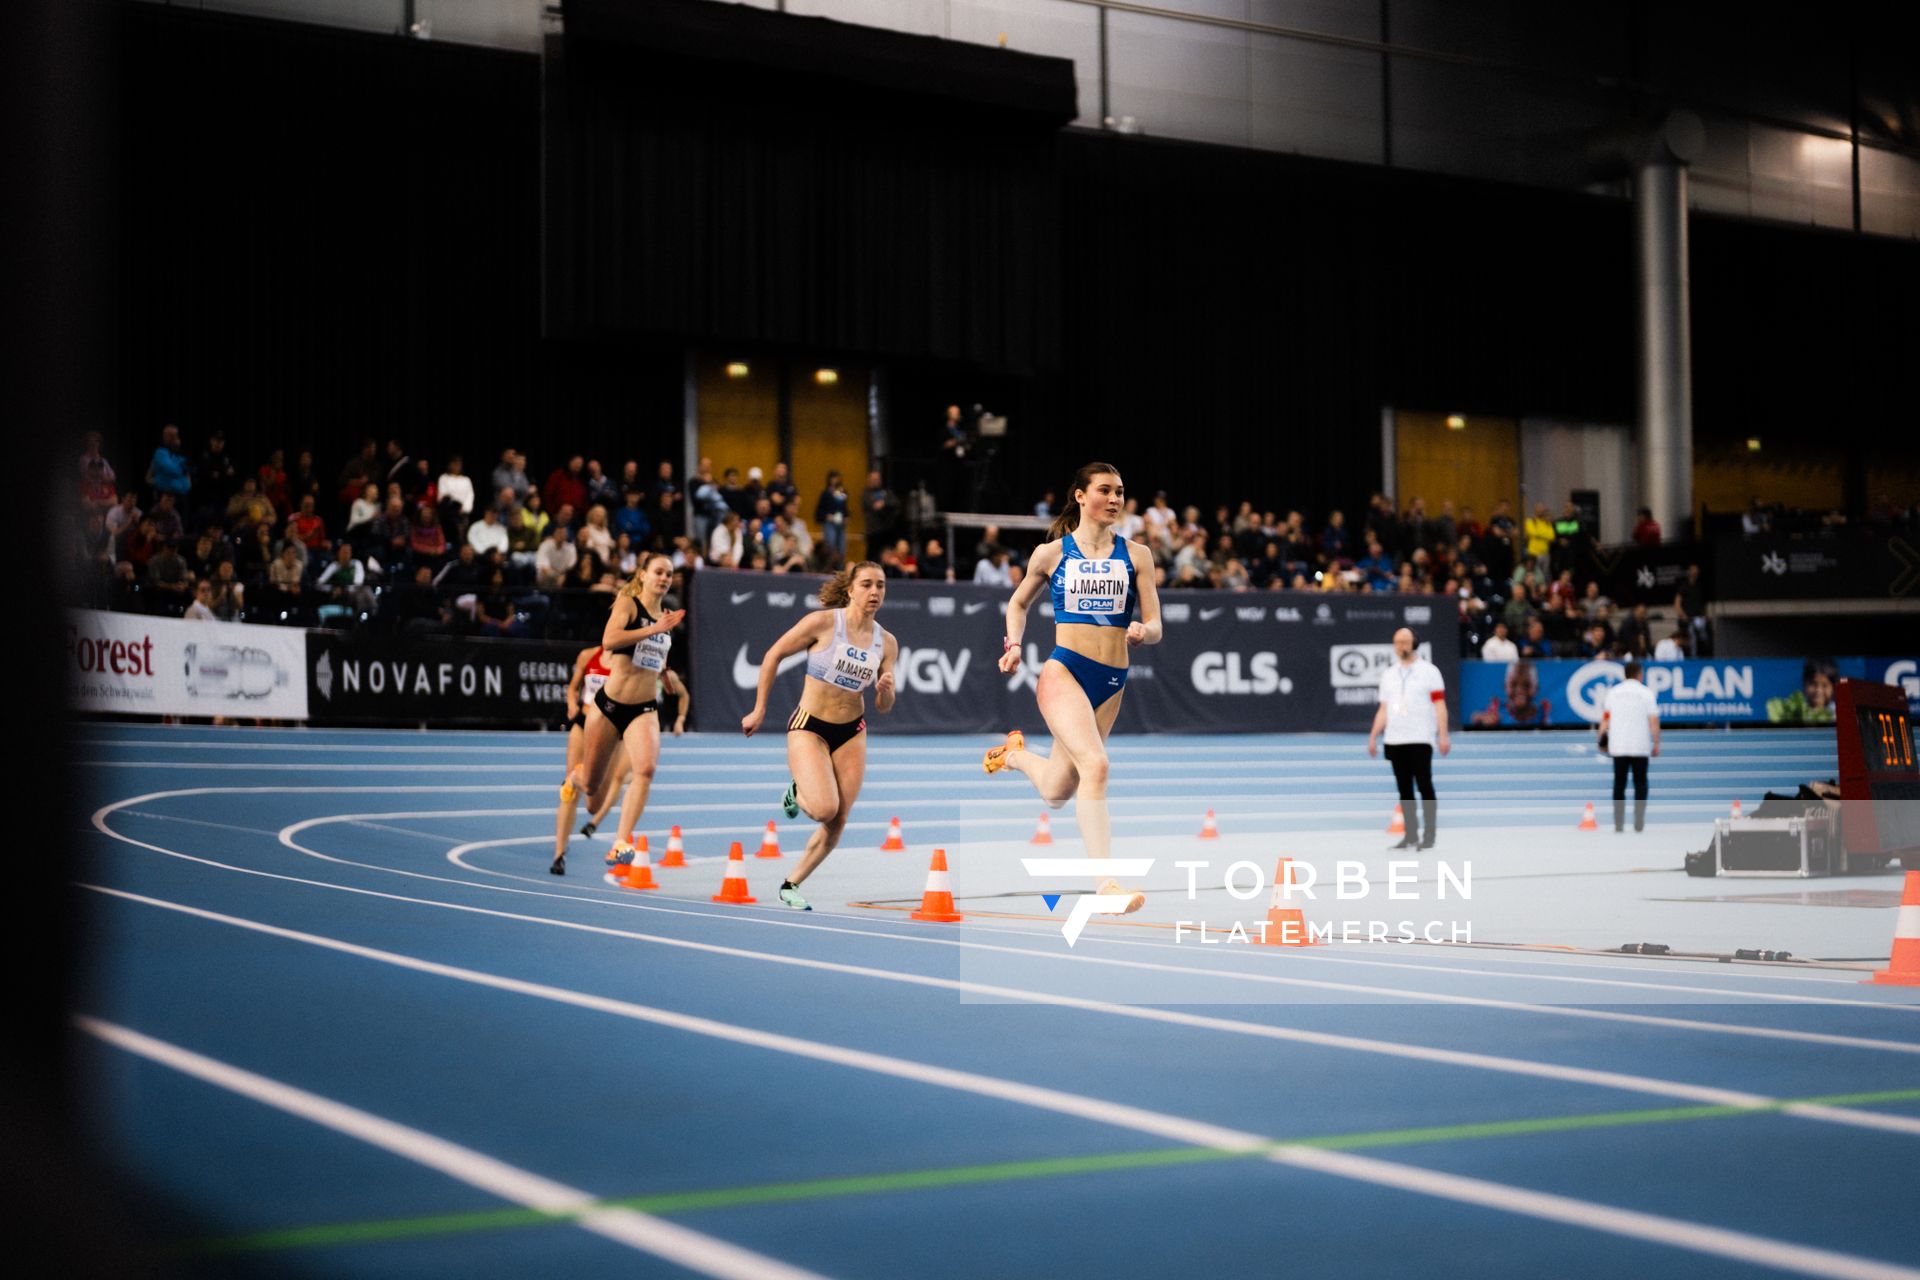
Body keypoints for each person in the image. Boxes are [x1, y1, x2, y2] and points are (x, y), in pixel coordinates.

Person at [984, 462, 1163, 913]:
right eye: (1105, 490)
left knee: (1057, 792)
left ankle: (1014, 756)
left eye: (1120, 491)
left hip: (1112, 680)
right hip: (1065, 671)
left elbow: (1157, 624)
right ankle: (1107, 885)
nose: (1115, 499)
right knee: (1096, 766)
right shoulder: (1051, 554)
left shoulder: (1137, 555)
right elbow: (1018, 603)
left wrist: (1144, 630)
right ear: (1081, 496)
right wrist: (1013, 644)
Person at [741, 561, 898, 911]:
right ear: (850, 590)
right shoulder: (823, 624)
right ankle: (798, 790)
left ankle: (791, 884)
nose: (874, 591)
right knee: (825, 808)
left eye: (881, 585)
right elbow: (773, 655)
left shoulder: (886, 642)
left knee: (838, 819)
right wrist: (759, 709)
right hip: (810, 725)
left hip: (852, 731)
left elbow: (884, 706)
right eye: (867, 584)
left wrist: (886, 689)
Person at [559, 555, 686, 875]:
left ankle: (620, 842)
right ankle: (574, 777)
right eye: (658, 572)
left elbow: (653, 657)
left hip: (644, 708)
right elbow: (610, 640)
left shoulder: (665, 617)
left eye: (669, 574)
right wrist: (654, 629)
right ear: (642, 575)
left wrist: (664, 673)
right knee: (591, 792)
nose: (664, 578)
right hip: (610, 706)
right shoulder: (629, 605)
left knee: (645, 769)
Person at [1367, 627, 1450, 850]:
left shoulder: (1429, 671)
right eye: (1397, 642)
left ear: (1415, 643)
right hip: (1395, 738)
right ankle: (1410, 834)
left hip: (1420, 736)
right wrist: (1373, 736)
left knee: (1424, 785)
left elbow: (1439, 705)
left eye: (1404, 641)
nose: (1400, 646)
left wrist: (1443, 734)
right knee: (1404, 789)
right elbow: (1383, 709)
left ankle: (1429, 834)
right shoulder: (1389, 674)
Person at [1599, 660, 1659, 832]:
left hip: (1619, 745)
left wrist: (1601, 739)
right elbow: (1653, 720)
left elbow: (1606, 718)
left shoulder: (1614, 693)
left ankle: (1618, 823)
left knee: (1619, 784)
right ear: (1639, 674)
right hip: (1640, 745)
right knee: (1641, 783)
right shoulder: (1646, 693)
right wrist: (1657, 742)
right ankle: (1639, 821)